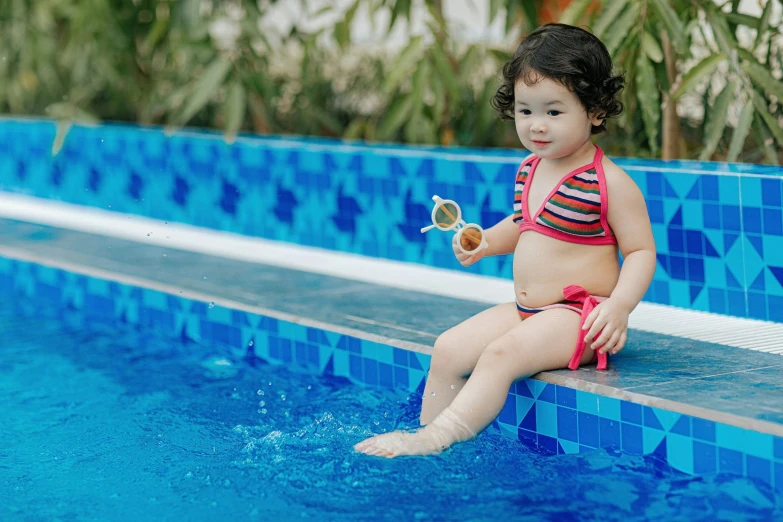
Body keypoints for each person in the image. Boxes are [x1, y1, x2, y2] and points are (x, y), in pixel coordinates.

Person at [354, 23, 656, 458]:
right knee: (448, 348)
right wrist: (486, 241)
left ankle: (434, 439)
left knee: (500, 355)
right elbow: (524, 223)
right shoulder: (531, 168)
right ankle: (425, 428)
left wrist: (619, 307)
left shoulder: (608, 182)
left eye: (553, 112)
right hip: (529, 312)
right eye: (525, 111)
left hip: (578, 318)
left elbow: (641, 251)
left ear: (595, 111)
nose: (537, 126)